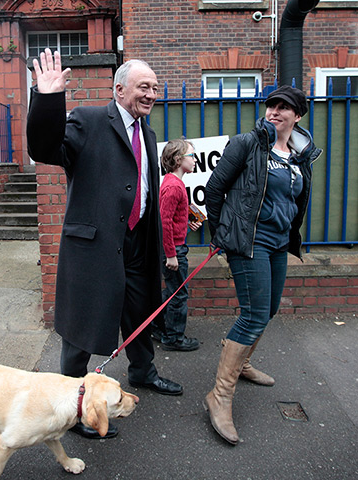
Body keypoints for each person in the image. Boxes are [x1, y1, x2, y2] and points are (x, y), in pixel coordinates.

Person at [27, 49, 182, 440]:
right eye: (143, 87)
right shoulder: (90, 119)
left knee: (139, 311)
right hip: (96, 243)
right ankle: (73, 403)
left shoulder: (146, 131)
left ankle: (143, 372)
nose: (151, 94)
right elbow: (45, 150)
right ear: (118, 89)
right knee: (82, 327)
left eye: (154, 88)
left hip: (136, 240)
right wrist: (46, 99)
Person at [204, 85, 322, 445]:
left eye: (284, 107)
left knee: (268, 310)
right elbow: (214, 190)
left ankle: (241, 365)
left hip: (278, 244)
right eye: (271, 104)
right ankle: (219, 395)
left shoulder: (299, 157)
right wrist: (223, 233)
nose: (275, 111)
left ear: (297, 116)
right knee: (253, 314)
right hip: (249, 243)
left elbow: (294, 202)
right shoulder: (248, 144)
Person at [153, 138, 203, 351]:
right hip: (174, 251)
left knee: (172, 291)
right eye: (191, 155)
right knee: (178, 294)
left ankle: (158, 328)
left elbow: (172, 218)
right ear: (177, 159)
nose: (195, 159)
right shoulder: (174, 187)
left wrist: (186, 222)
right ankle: (173, 338)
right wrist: (171, 254)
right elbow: (164, 223)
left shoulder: (173, 183)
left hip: (175, 246)